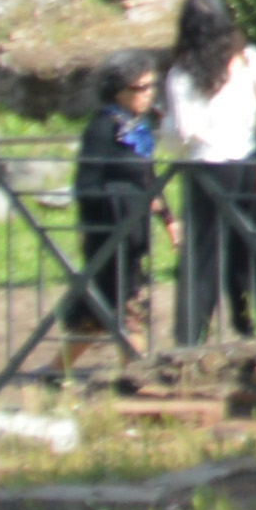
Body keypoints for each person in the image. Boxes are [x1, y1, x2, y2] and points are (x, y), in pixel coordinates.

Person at [159, 0, 256, 345]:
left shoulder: (182, 75)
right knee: (249, 247)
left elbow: (185, 131)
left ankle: (192, 336)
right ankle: (254, 326)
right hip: (248, 163)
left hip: (206, 168)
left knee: (202, 255)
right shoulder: (250, 60)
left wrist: (167, 130)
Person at [58, 60, 161, 358]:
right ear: (118, 92)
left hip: (132, 231)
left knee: (110, 304)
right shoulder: (102, 128)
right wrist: (122, 200)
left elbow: (148, 177)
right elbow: (86, 185)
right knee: (120, 302)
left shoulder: (138, 128)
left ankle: (58, 370)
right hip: (109, 231)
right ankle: (137, 373)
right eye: (141, 88)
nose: (149, 94)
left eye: (152, 86)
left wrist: (168, 219)